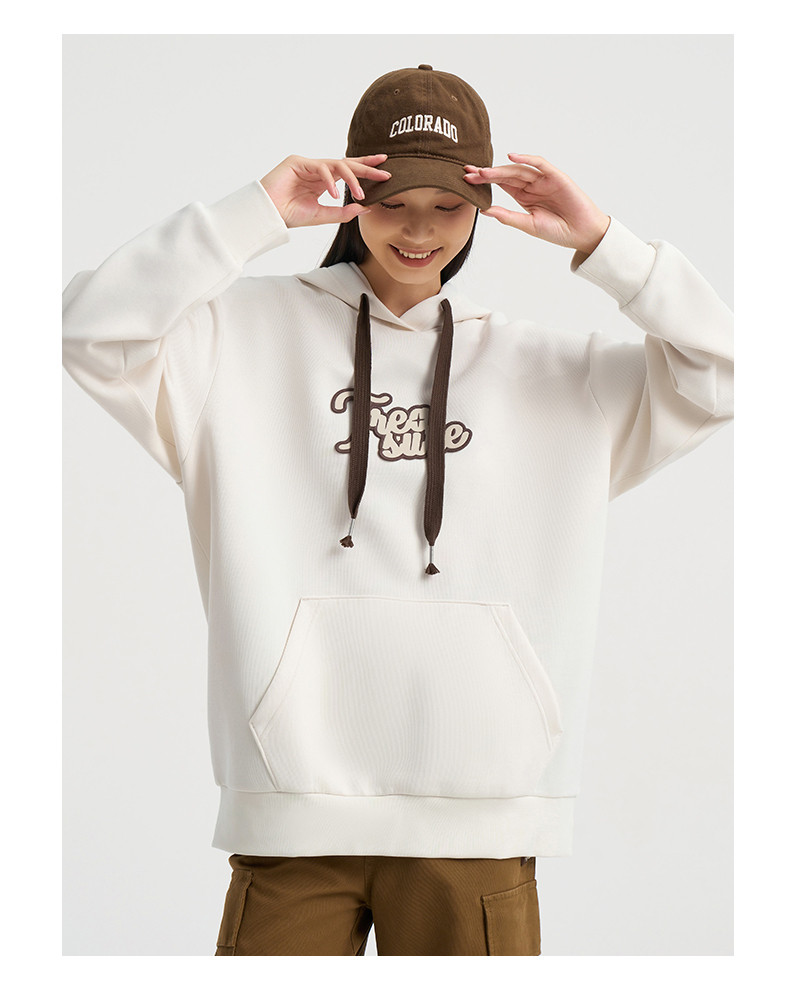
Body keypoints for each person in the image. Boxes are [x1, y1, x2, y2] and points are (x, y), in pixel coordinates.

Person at [62, 64, 734, 956]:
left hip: (481, 817)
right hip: (292, 812)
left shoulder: (557, 375)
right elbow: (88, 329)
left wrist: (604, 243)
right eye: (394, 203)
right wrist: (254, 213)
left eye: (447, 206)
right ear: (353, 194)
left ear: (481, 206)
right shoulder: (231, 340)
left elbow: (725, 372)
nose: (419, 231)